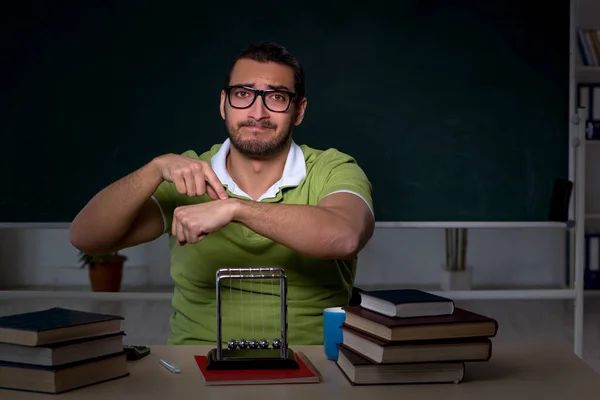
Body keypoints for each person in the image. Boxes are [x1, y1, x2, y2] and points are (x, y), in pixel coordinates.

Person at [69, 41, 375, 346]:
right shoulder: (185, 176)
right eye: (243, 94)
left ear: (299, 111)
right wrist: (153, 169)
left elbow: (344, 236)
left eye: (277, 97)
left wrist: (235, 209)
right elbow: (86, 238)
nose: (258, 112)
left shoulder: (333, 168)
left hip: (314, 364)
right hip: (197, 366)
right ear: (223, 104)